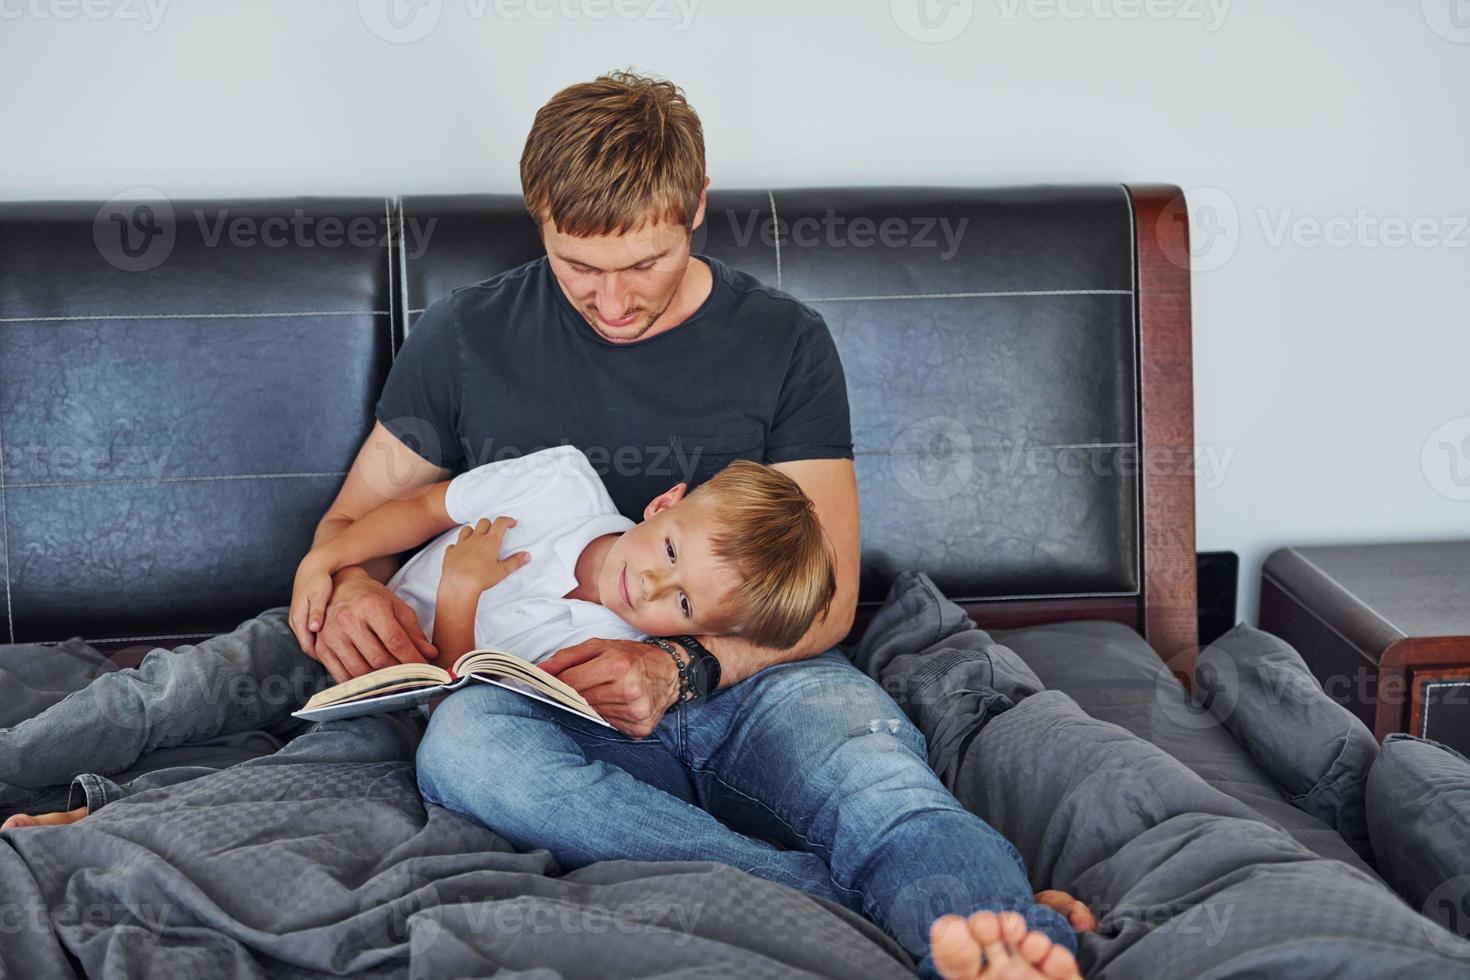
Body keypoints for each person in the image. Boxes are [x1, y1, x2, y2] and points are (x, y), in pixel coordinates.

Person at [290, 444, 838, 683]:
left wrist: (461, 593)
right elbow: (428, 506)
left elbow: (454, 708)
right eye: (671, 551)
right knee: (221, 674)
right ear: (664, 503)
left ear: (700, 633)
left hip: (392, 707)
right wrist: (325, 560)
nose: (650, 585)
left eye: (685, 601)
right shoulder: (559, 483)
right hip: (325, 629)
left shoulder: (611, 658)